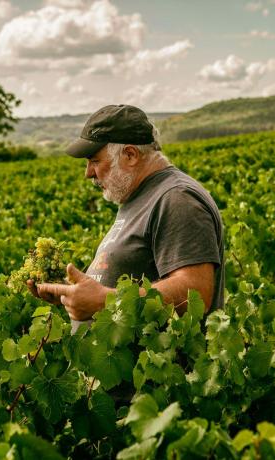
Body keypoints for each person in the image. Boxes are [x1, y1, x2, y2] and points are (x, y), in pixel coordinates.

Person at [27, 104, 224, 331]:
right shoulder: (140, 196)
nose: (88, 173)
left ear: (130, 155)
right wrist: (71, 295)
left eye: (95, 161)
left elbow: (195, 293)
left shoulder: (176, 198)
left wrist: (104, 301)